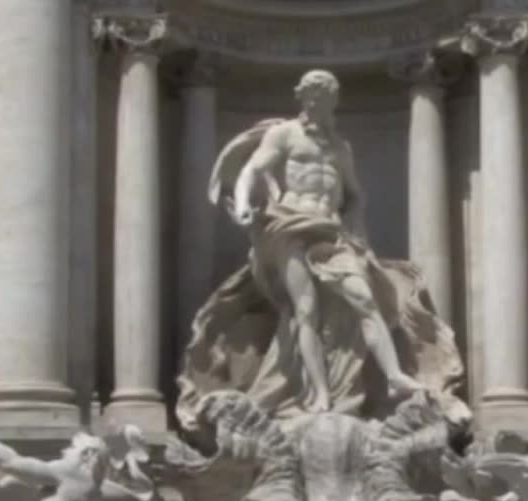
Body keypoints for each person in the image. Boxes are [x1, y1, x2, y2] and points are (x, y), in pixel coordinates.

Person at [177, 69, 464, 428]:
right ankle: (320, 394)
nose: (320, 105)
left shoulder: (340, 148)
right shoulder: (284, 135)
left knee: (366, 301)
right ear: (303, 99)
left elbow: (355, 195)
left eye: (327, 99)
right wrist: (244, 200)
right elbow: (253, 168)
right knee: (306, 310)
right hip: (288, 227)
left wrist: (360, 239)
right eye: (314, 98)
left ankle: (394, 376)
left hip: (332, 232)